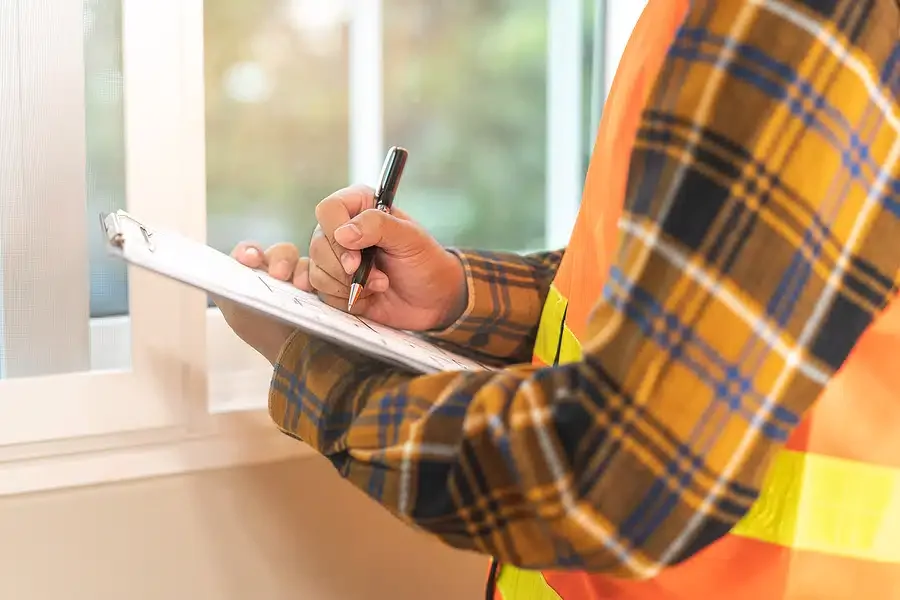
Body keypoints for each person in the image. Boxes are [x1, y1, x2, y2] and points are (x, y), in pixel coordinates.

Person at [216, 0, 900, 598]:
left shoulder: (801, 19)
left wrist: (308, 361)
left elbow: (620, 471)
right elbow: (703, 292)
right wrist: (456, 296)